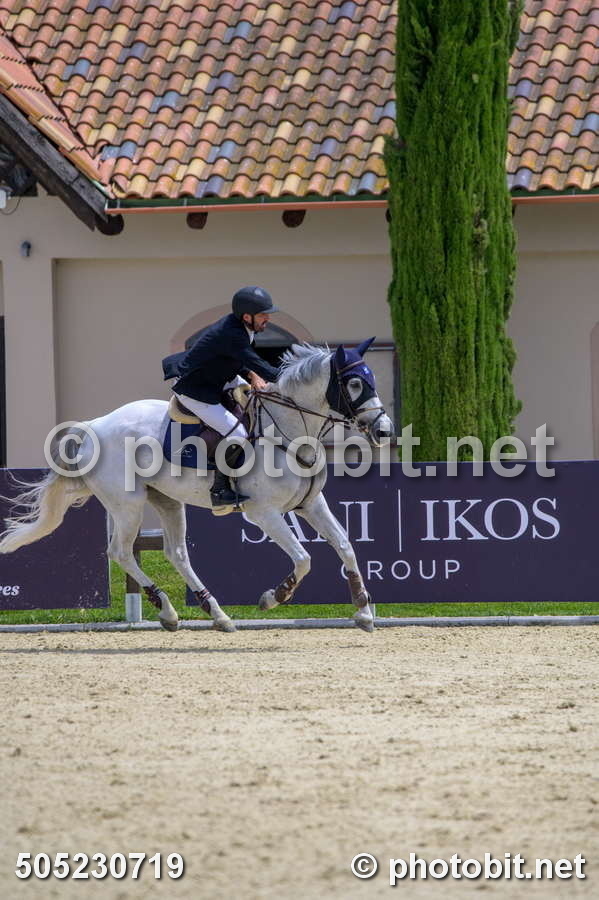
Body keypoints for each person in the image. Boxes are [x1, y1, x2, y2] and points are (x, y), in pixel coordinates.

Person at [164, 287, 280, 509]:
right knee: (238, 434)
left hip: (219, 375)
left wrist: (252, 375)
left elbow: (238, 359)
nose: (268, 318)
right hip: (196, 389)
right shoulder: (232, 333)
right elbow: (260, 365)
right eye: (263, 315)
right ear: (247, 316)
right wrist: (292, 377)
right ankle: (219, 489)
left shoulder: (242, 327)